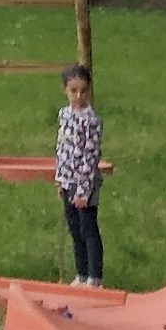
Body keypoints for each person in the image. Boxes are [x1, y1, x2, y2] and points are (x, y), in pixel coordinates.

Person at [53, 62, 107, 288]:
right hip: (68, 180)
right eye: (73, 90)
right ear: (65, 89)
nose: (78, 96)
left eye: (83, 91)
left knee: (87, 229)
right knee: (74, 229)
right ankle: (81, 273)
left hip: (85, 182)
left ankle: (95, 277)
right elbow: (61, 149)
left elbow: (90, 156)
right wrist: (59, 179)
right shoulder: (64, 115)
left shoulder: (91, 121)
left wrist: (83, 191)